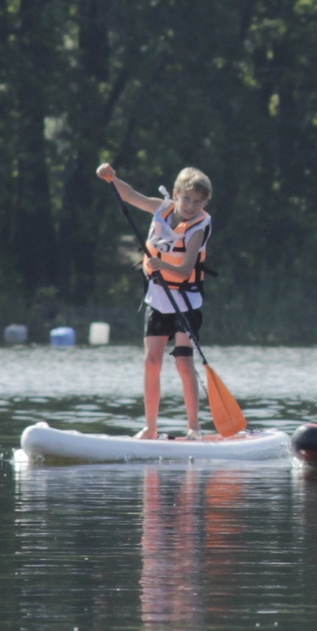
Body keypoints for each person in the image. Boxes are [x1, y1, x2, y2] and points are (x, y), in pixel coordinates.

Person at [99, 163, 214, 439]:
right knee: (152, 361)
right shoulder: (162, 208)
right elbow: (131, 196)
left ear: (205, 203)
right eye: (186, 199)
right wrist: (111, 177)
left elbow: (186, 270)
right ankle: (151, 427)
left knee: (183, 362)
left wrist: (160, 264)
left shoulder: (198, 227)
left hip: (186, 301)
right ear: (175, 194)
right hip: (159, 297)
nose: (190, 206)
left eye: (198, 202)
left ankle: (194, 427)